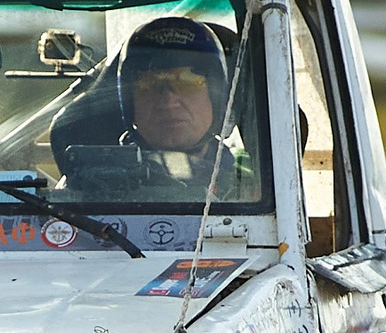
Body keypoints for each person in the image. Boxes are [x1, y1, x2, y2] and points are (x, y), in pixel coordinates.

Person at [86, 16, 260, 203]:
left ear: (217, 97)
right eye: (149, 83)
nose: (168, 100)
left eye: (187, 81)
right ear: (129, 103)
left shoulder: (257, 187)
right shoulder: (91, 188)